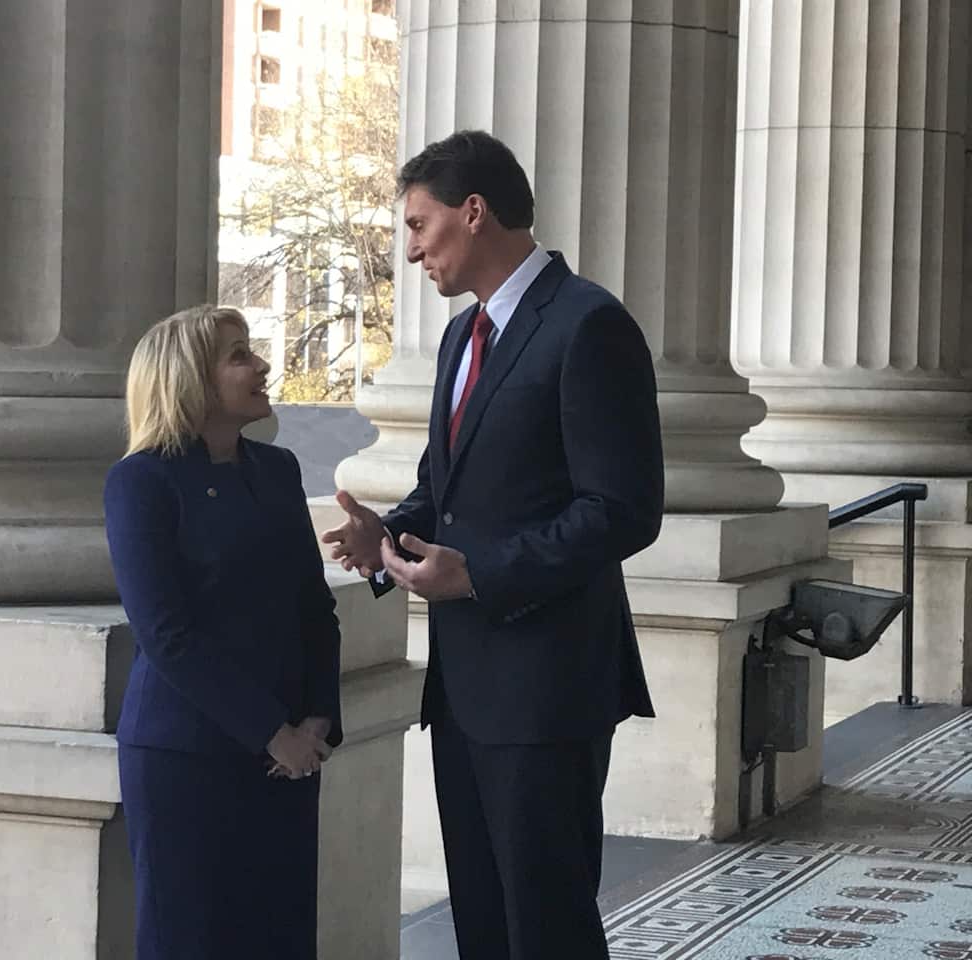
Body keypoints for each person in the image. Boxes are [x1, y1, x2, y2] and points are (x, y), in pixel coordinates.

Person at [322, 130, 663, 958]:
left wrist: (478, 577)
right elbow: (447, 491)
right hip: (464, 689)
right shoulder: (460, 337)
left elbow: (624, 510)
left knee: (546, 928)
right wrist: (386, 536)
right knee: (483, 923)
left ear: (473, 212)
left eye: (418, 225)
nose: (410, 251)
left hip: (548, 688)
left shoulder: (589, 325)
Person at [104, 304, 342, 960]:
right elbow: (165, 634)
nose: (262, 365)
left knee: (280, 939)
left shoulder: (278, 470)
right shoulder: (141, 482)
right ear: (189, 380)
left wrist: (317, 719)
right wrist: (272, 732)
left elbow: (314, 608)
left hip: (290, 758)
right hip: (187, 759)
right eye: (239, 355)